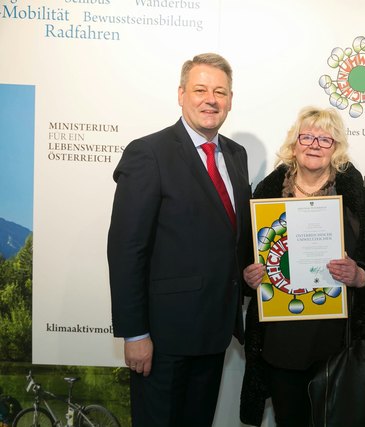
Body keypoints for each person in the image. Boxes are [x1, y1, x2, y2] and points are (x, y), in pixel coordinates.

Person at [107, 53, 252, 427]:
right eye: (201, 89)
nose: (211, 99)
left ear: (231, 100)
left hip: (215, 331)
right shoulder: (149, 153)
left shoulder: (236, 156)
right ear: (181, 94)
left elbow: (229, 237)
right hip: (163, 338)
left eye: (220, 91)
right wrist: (135, 333)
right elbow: (126, 250)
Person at [239, 106, 365, 427]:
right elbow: (244, 257)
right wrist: (249, 275)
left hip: (337, 339)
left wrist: (361, 275)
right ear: (294, 144)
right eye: (307, 136)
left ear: (336, 148)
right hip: (282, 337)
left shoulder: (355, 197)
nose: (315, 144)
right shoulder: (264, 195)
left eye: (325, 139)